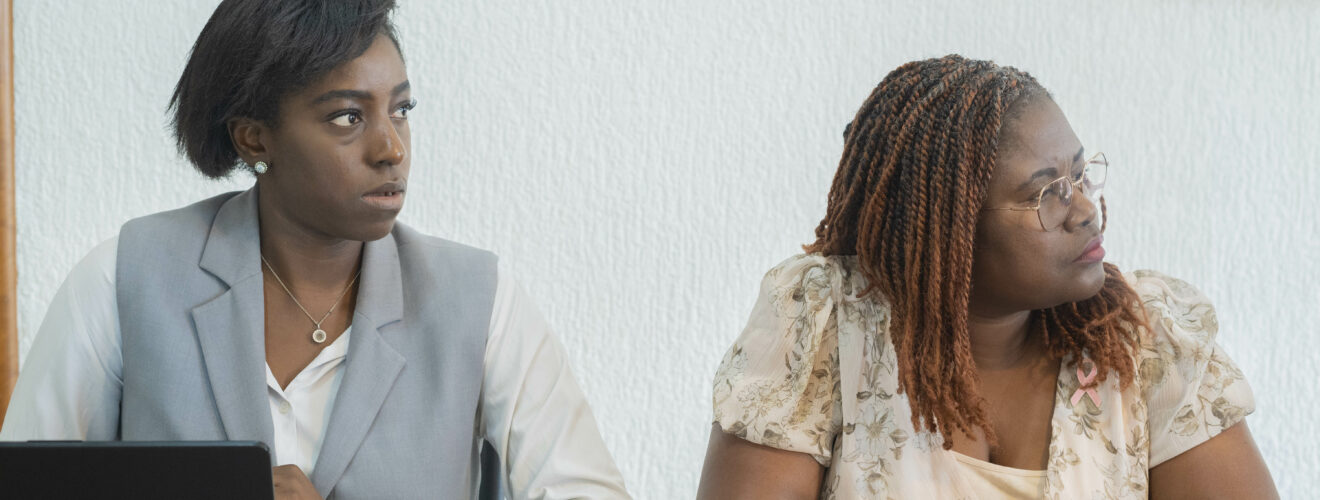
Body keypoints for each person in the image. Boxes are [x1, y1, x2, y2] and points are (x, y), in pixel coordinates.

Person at [0, 1, 630, 498]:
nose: (391, 148)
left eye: (401, 109)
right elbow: (24, 488)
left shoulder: (478, 300)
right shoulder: (126, 277)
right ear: (254, 138)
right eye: (347, 117)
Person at [696, 55, 1277, 499]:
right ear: (945, 229)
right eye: (1046, 193)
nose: (1084, 210)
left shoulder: (1146, 344)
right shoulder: (825, 328)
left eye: (1080, 175)